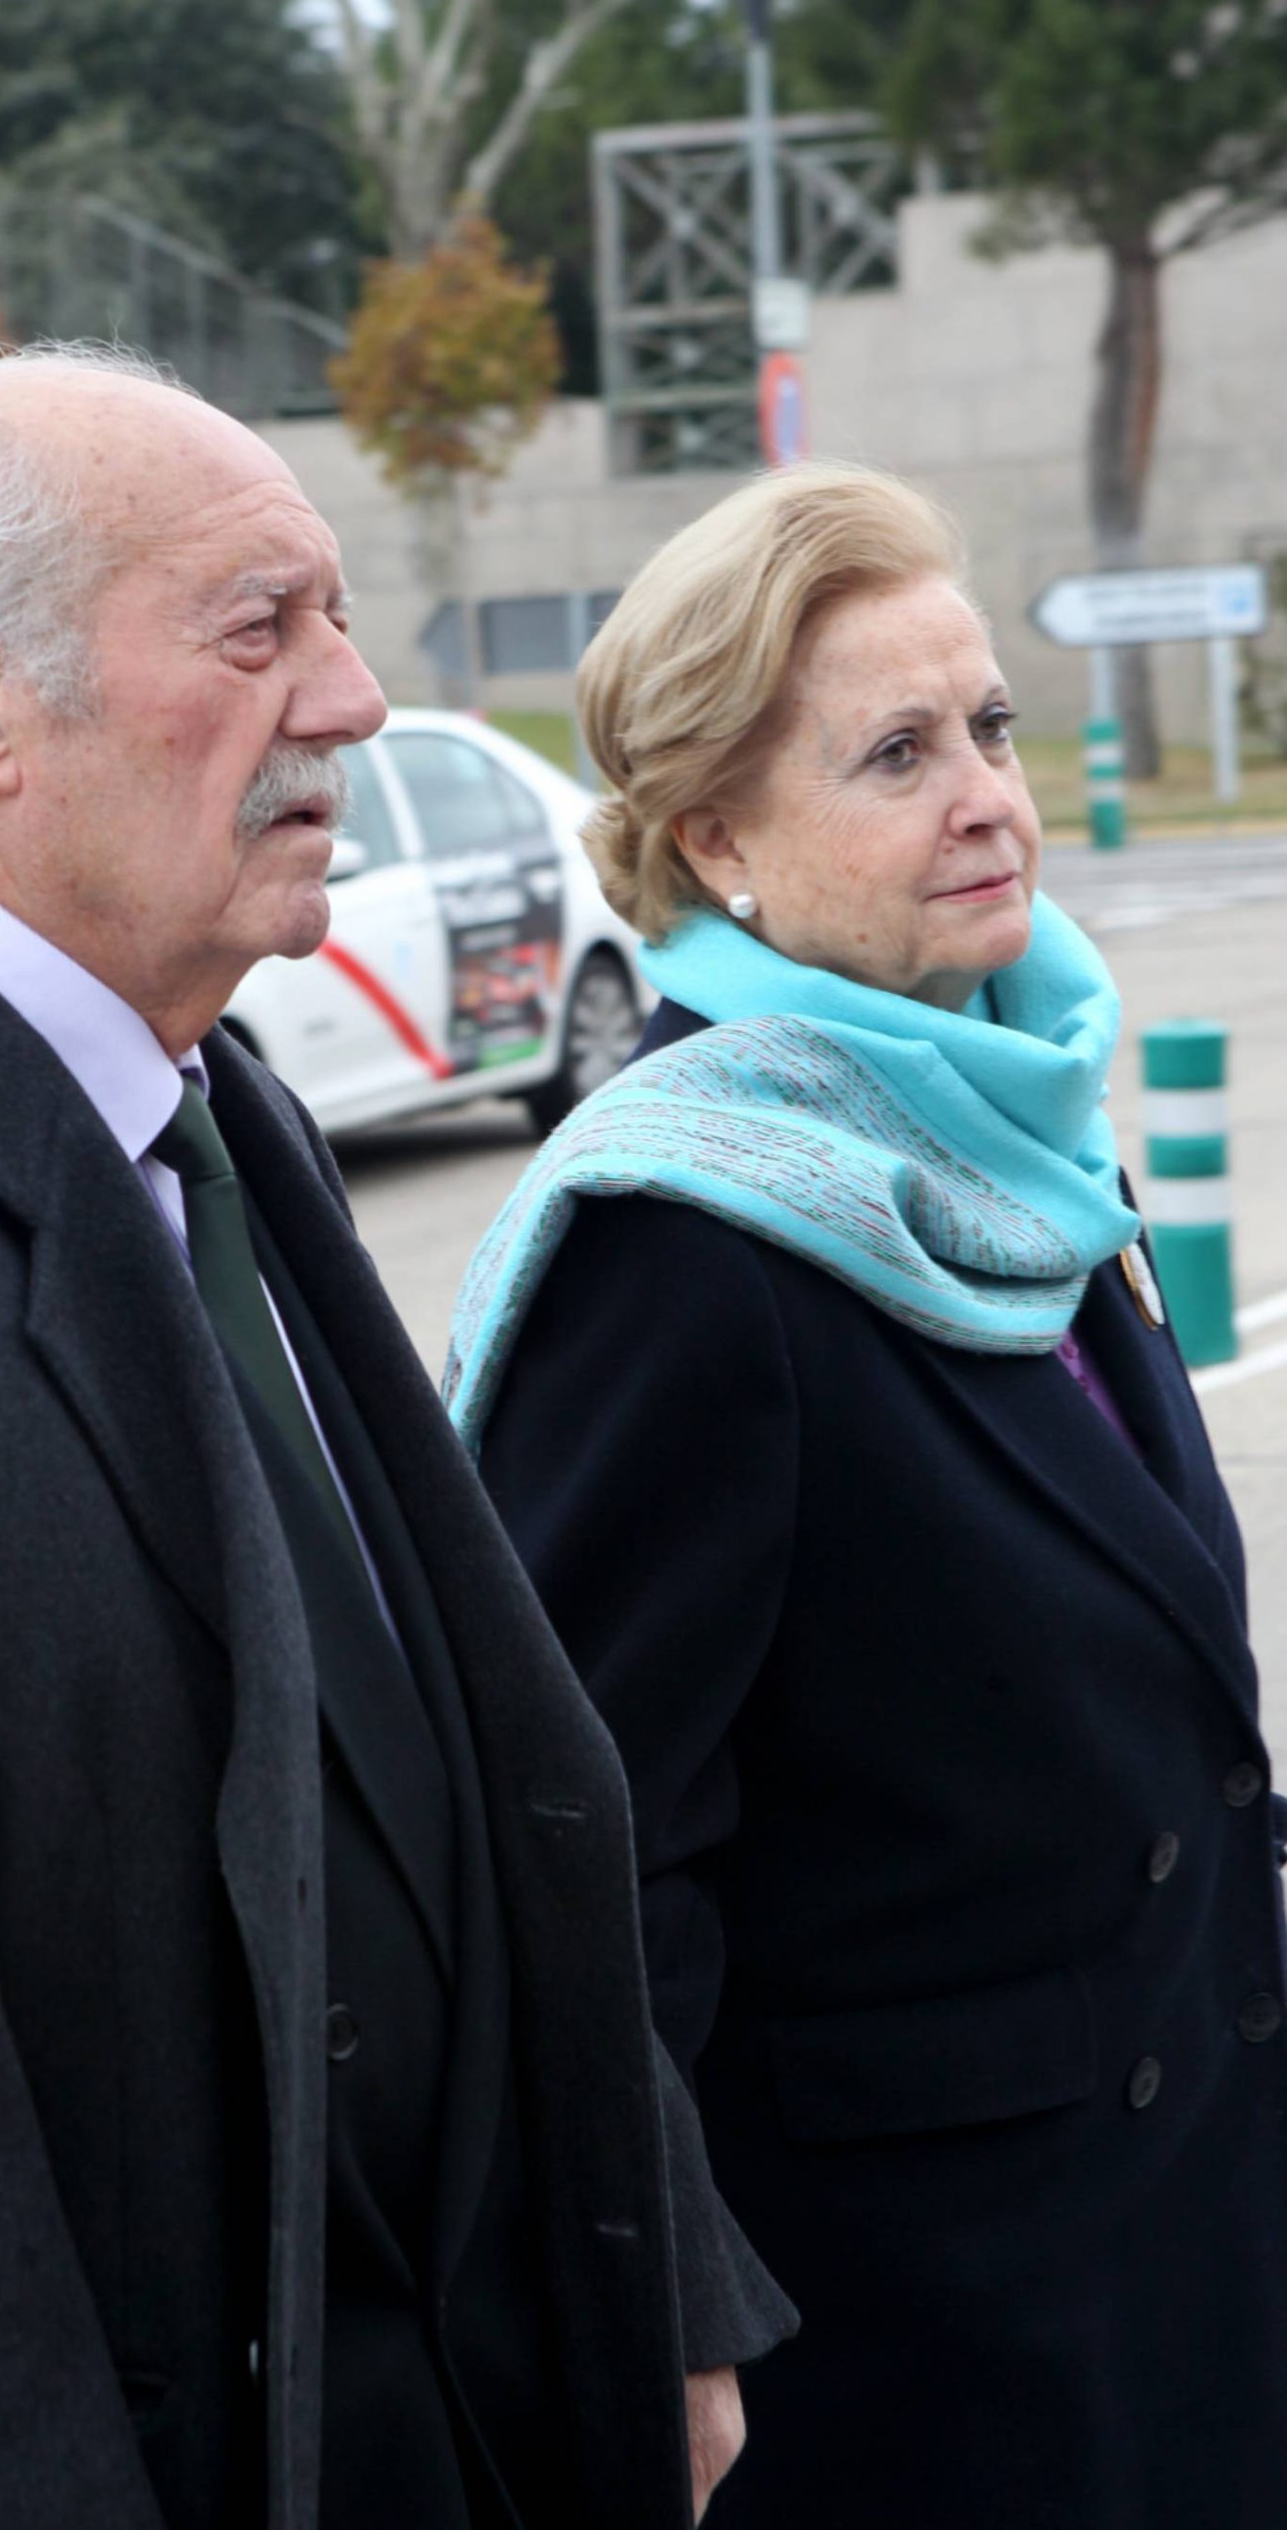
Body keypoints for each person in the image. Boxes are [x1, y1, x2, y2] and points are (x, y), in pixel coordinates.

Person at [0, 347, 797, 2530]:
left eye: (333, 618)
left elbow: (480, 1755)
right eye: (260, 628)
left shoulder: (211, 1105)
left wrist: (665, 2280)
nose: (349, 696)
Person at [449, 461, 1287, 2530]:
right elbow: (581, 1849)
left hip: (1167, 2219)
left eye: (988, 726)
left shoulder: (1002, 1126)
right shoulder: (683, 1237)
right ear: (717, 839)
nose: (985, 794)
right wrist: (661, 2307)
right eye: (894, 753)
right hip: (918, 2329)